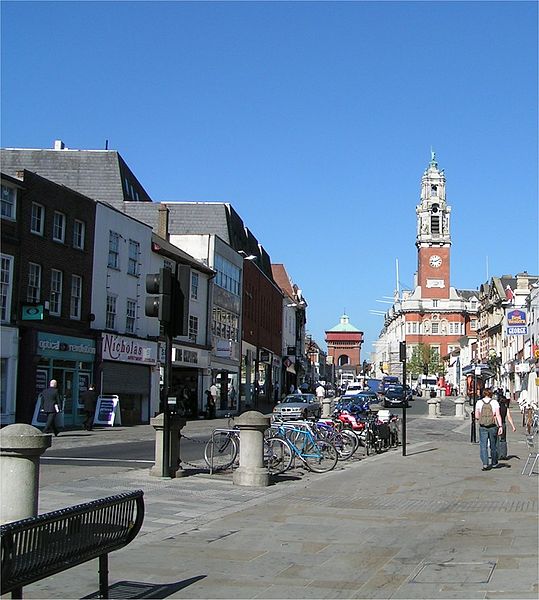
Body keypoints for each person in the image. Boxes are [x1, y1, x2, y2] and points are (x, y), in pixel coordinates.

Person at [475, 387, 503, 471]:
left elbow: (476, 416)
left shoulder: (479, 402)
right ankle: (494, 463)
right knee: (493, 445)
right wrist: (500, 426)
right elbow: (498, 415)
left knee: (483, 446)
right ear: (490, 394)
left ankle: (485, 464)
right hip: (493, 426)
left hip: (483, 426)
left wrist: (481, 418)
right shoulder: (494, 402)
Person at [495, 389, 516, 460]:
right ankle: (504, 454)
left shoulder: (497, 408)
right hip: (503, 424)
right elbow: (509, 417)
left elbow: (495, 416)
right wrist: (513, 426)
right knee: (503, 440)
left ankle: (498, 454)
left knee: (497, 440)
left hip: (497, 424)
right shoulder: (506, 408)